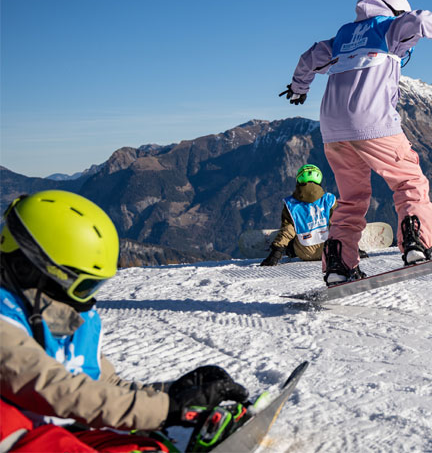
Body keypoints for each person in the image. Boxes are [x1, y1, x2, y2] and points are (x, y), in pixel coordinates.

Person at [0, 190, 248, 452]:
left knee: (147, 448)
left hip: (66, 431)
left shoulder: (66, 315)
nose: (86, 302)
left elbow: (104, 385)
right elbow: (58, 389)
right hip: (25, 439)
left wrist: (174, 393)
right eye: (82, 286)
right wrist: (169, 410)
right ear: (28, 269)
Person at [280, 0, 432, 284]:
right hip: (373, 122)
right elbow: (421, 19)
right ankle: (418, 243)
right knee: (409, 182)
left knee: (351, 198)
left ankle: (338, 262)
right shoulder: (389, 27)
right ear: (395, 12)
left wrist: (299, 87)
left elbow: (310, 57)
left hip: (333, 130)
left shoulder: (343, 37)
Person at [258, 163, 350, 269]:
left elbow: (288, 230)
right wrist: (351, 248)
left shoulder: (291, 205)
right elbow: (340, 223)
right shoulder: (329, 200)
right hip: (329, 251)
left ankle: (291, 250)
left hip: (304, 253)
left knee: (295, 227)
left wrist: (276, 253)